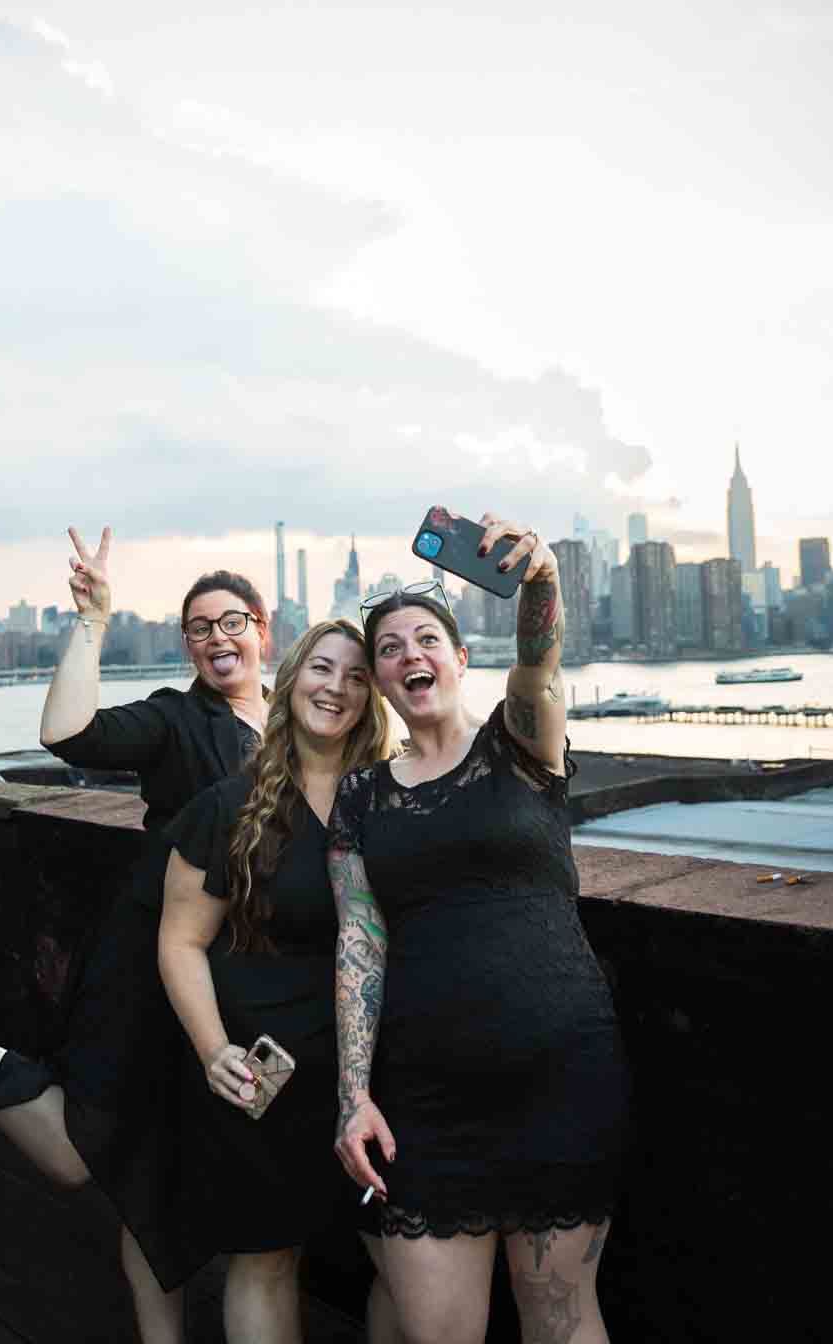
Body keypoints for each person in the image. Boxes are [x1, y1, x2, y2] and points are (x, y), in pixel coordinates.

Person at [0, 526, 271, 1344]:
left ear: (263, 628)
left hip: (241, 983)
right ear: (187, 645)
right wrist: (92, 622)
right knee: (83, 1156)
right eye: (199, 627)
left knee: (160, 1178)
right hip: (152, 965)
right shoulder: (174, 720)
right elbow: (67, 733)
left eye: (232, 621)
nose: (217, 637)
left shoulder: (295, 724)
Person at [328, 515, 630, 1344]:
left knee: (562, 1322)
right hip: (426, 1101)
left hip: (559, 1077)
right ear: (380, 679)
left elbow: (540, 659)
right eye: (389, 648)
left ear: (460, 659)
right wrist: (353, 1097)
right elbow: (360, 945)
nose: (410, 655)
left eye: (427, 638)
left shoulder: (521, 744)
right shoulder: (360, 797)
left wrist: (541, 583)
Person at [158, 619, 400, 1344]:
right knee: (267, 1260)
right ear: (291, 679)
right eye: (322, 669)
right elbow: (179, 942)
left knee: (406, 1260)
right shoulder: (227, 807)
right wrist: (211, 1051)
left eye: (358, 676)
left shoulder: (391, 800)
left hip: (376, 1071)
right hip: (267, 1072)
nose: (337, 687)